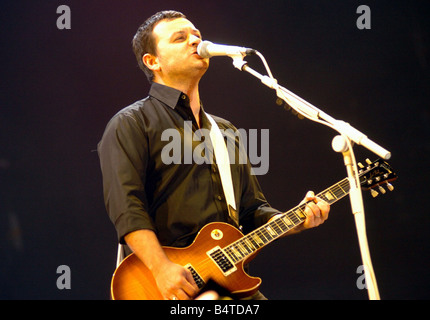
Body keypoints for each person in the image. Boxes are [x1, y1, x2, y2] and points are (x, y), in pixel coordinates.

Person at [98, 10, 330, 300]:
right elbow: (126, 207)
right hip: (166, 283)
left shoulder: (226, 131)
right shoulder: (131, 123)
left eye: (196, 34)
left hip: (228, 283)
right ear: (152, 61)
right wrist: (161, 269)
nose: (195, 41)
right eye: (180, 38)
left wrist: (296, 220)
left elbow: (252, 210)